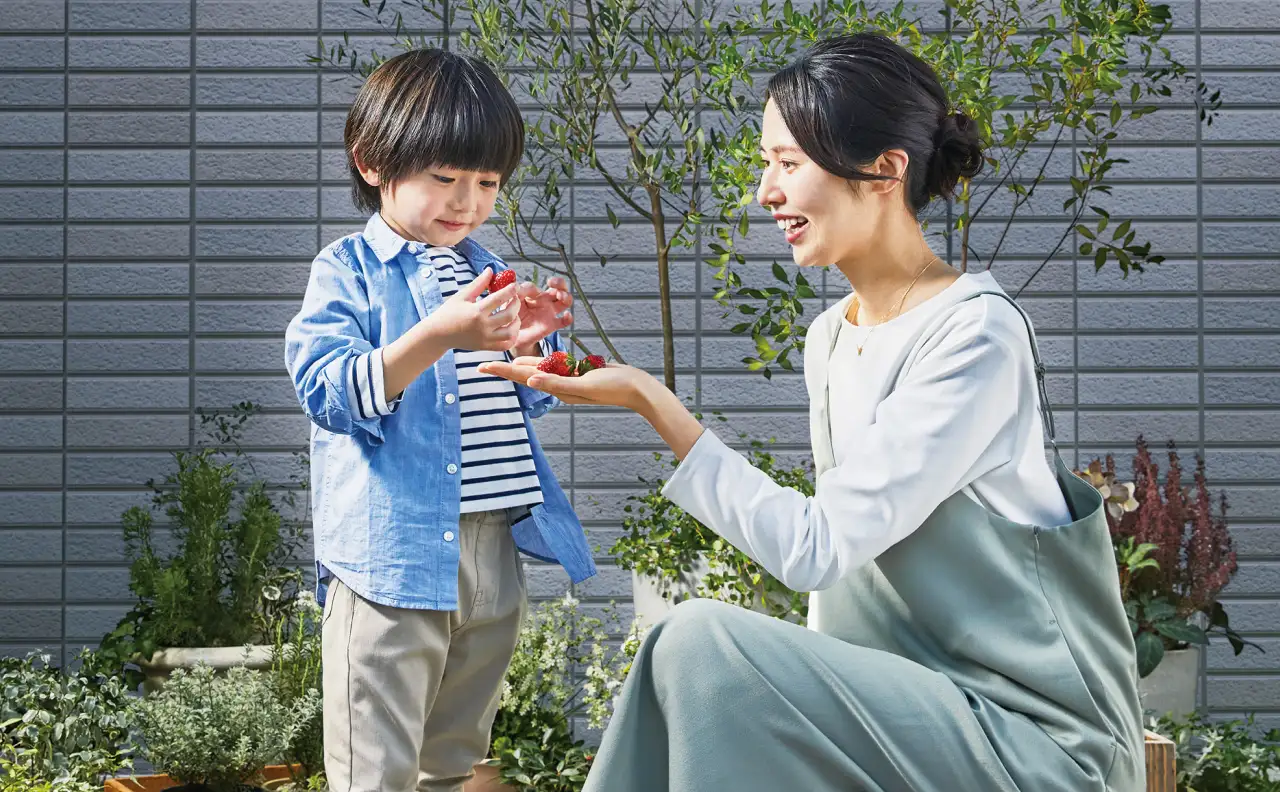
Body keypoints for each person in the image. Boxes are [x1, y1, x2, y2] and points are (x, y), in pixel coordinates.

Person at [480, 32, 1145, 792]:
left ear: (885, 170)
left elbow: (817, 548)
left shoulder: (976, 334)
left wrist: (650, 402)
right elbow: (844, 592)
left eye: (789, 163)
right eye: (768, 163)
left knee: (697, 641)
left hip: (1033, 741)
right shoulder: (832, 337)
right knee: (696, 673)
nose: (766, 191)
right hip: (903, 713)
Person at [283, 48, 596, 792]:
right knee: (375, 769)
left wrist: (540, 349)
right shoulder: (348, 269)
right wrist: (439, 336)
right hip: (392, 557)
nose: (468, 201)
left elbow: (531, 398)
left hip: (493, 547)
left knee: (452, 762)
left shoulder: (485, 270)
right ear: (372, 163)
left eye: (487, 182)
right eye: (446, 178)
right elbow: (328, 391)